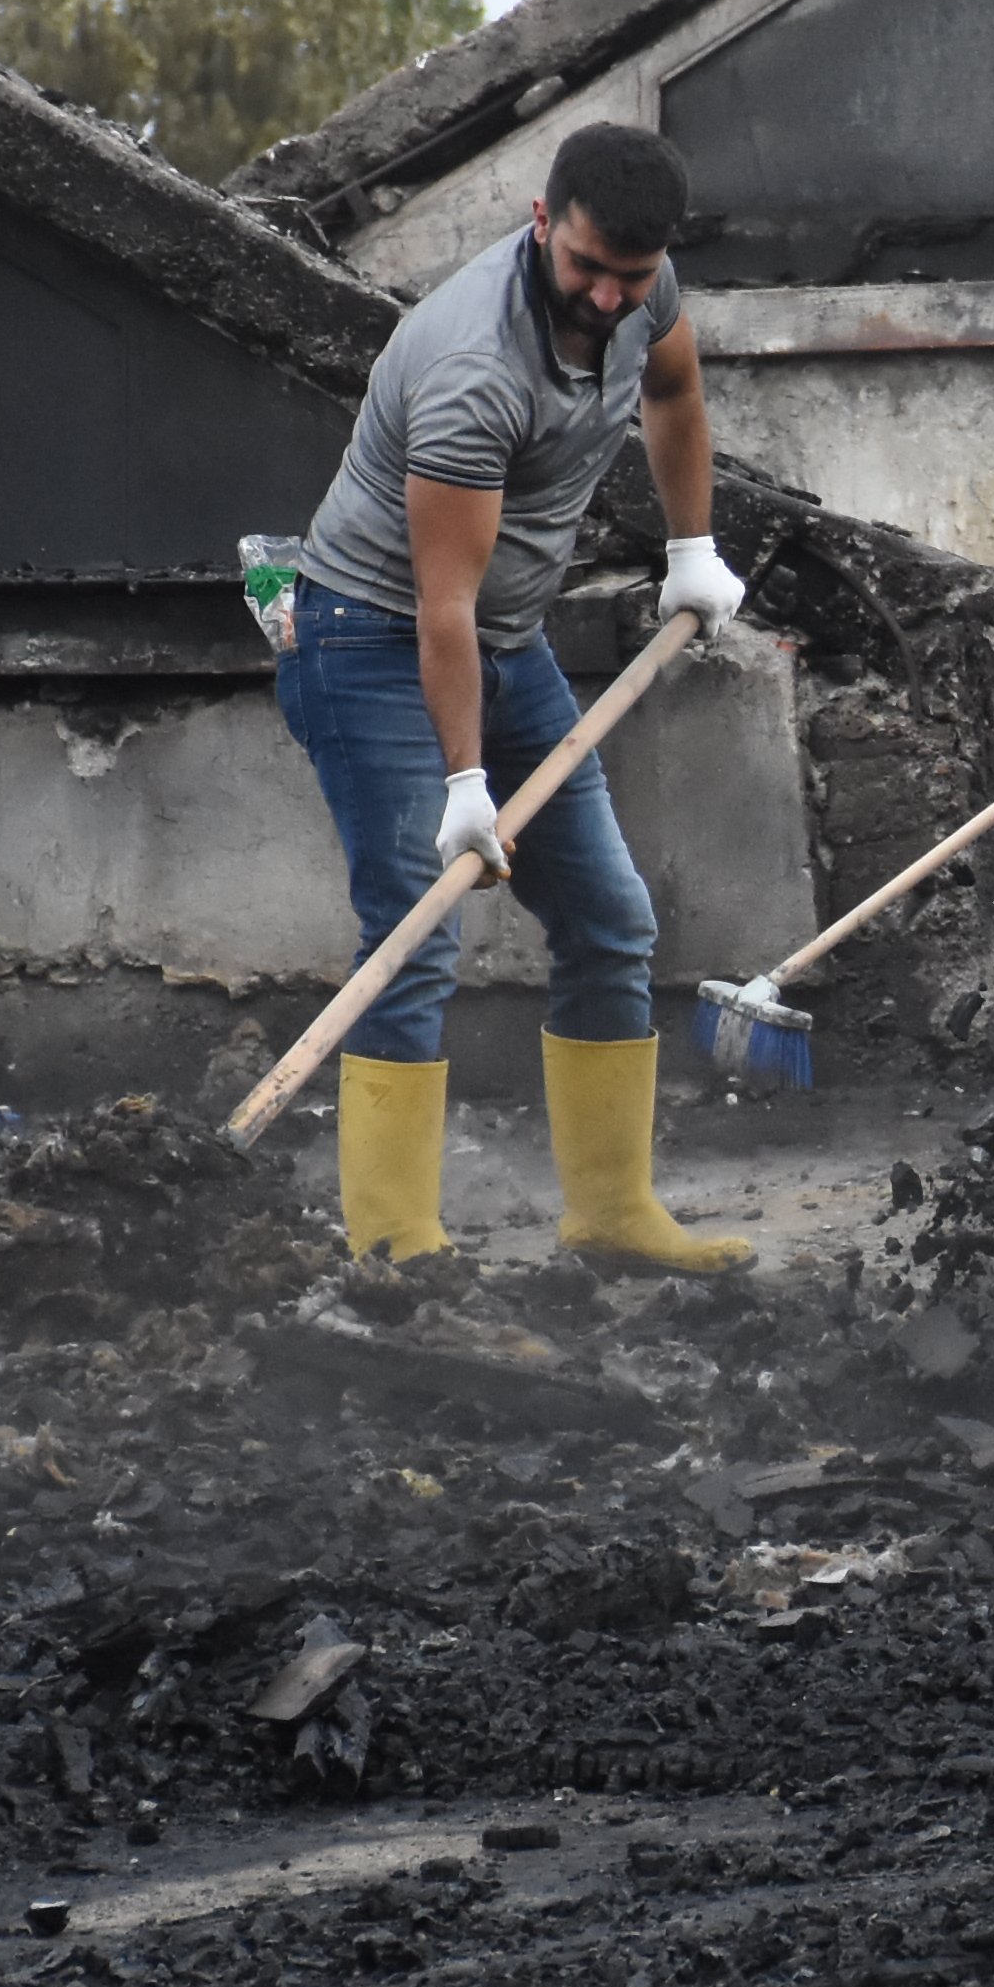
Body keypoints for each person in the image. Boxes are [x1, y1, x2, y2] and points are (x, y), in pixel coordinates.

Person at [278, 118, 752, 1271]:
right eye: (584, 266)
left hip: (502, 633)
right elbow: (440, 605)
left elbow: (675, 392)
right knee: (418, 931)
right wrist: (464, 781)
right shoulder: (471, 372)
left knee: (610, 918)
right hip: (369, 637)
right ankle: (395, 1249)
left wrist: (692, 546)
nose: (604, 296)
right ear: (543, 221)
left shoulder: (643, 288)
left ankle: (610, 1215)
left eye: (628, 277)